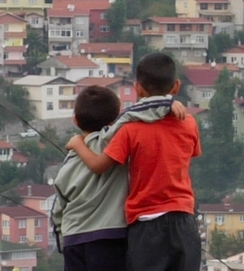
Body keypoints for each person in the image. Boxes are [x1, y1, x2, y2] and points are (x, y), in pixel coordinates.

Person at [66, 53, 202, 271]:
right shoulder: (188, 123)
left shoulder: (130, 129)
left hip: (146, 224)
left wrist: (77, 144)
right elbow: (191, 154)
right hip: (183, 219)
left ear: (138, 89)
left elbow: (98, 166)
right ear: (176, 86)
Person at [52, 84, 185, 271]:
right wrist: (167, 103)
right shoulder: (115, 142)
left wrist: (63, 243)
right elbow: (134, 113)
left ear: (75, 120)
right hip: (110, 238)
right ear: (115, 119)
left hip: (74, 241)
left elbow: (58, 209)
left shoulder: (68, 165)